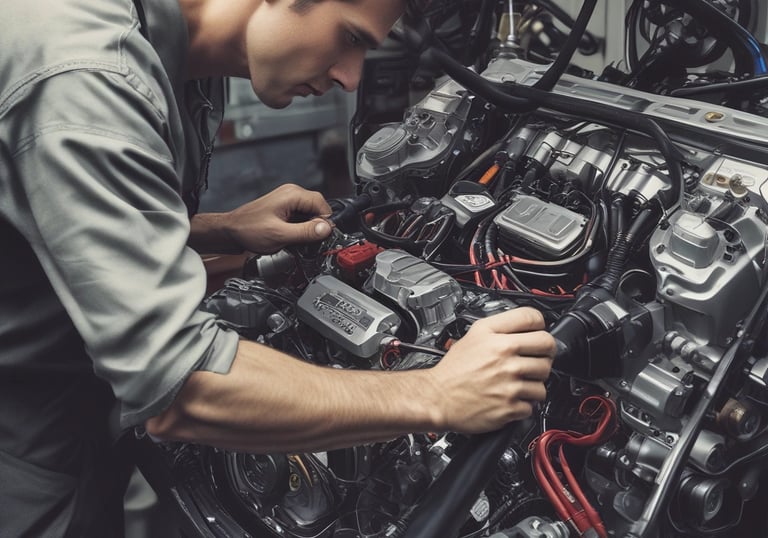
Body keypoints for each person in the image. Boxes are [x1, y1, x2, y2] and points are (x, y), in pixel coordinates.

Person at [0, 0, 556, 535]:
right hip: (24, 447)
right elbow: (180, 385)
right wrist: (436, 395)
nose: (351, 78)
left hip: (75, 405)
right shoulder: (90, 76)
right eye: (352, 38)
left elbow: (54, 217)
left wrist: (219, 228)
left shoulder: (187, 58)